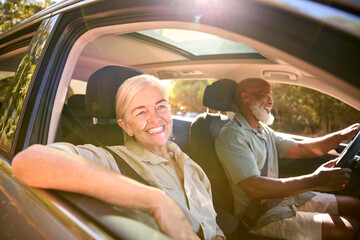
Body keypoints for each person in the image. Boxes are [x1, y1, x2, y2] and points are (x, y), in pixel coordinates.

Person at [12, 74, 225, 240]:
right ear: (125, 126)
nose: (155, 118)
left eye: (160, 106)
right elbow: (28, 162)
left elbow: (211, 224)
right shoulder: (113, 159)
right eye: (140, 112)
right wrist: (158, 201)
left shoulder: (191, 166)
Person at [215, 78, 360, 240]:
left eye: (271, 96)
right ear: (246, 97)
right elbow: (254, 188)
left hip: (282, 198)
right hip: (260, 215)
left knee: (356, 207)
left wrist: (343, 135)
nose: (271, 101)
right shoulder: (233, 135)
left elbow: (302, 149)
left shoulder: (263, 130)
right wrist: (315, 180)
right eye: (266, 95)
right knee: (348, 229)